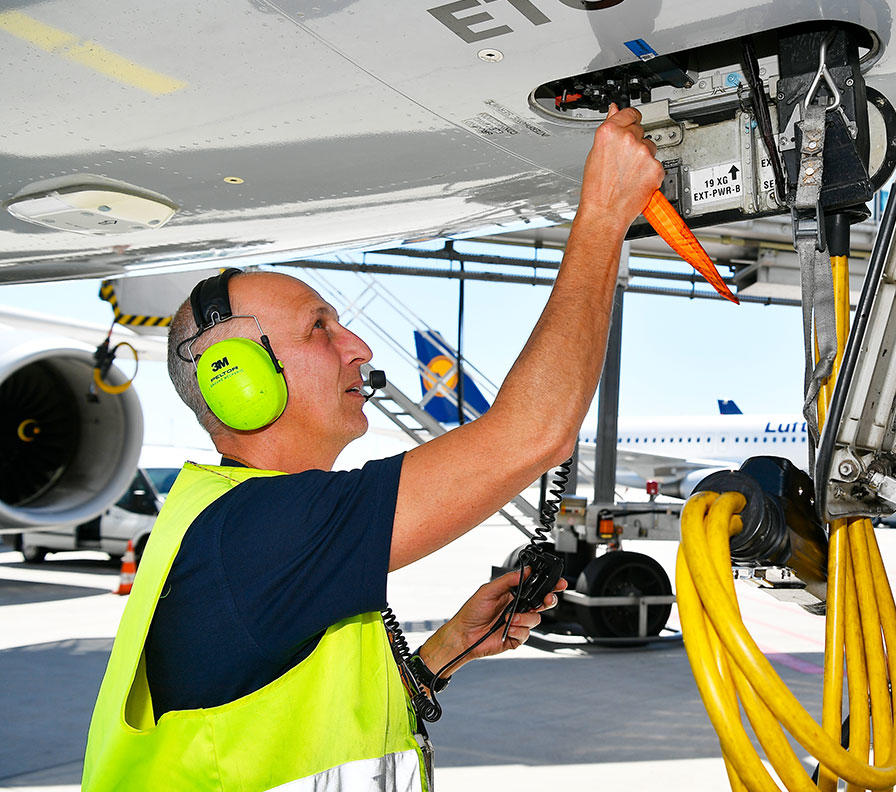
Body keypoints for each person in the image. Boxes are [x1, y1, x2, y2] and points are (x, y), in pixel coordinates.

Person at [81, 105, 664, 791]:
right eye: (320, 329)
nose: (358, 347)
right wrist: (603, 215)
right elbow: (534, 433)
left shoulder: (240, 523)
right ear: (237, 379)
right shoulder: (259, 529)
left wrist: (445, 651)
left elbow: (298, 728)